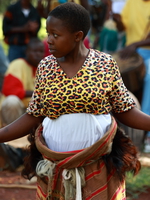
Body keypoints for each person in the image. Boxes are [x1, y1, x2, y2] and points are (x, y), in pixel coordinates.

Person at [0, 2, 150, 199]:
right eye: (48, 33)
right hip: (55, 165)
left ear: (78, 36)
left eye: (56, 35)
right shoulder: (46, 66)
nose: (49, 40)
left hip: (98, 162)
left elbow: (124, 110)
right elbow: (34, 115)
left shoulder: (104, 64)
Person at [0, 38, 44, 171]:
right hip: (18, 110)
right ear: (27, 51)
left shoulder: (47, 66)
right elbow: (9, 90)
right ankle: (12, 144)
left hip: (35, 111)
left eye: (40, 51)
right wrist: (37, 93)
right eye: (34, 51)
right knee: (11, 101)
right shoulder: (18, 64)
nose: (37, 54)